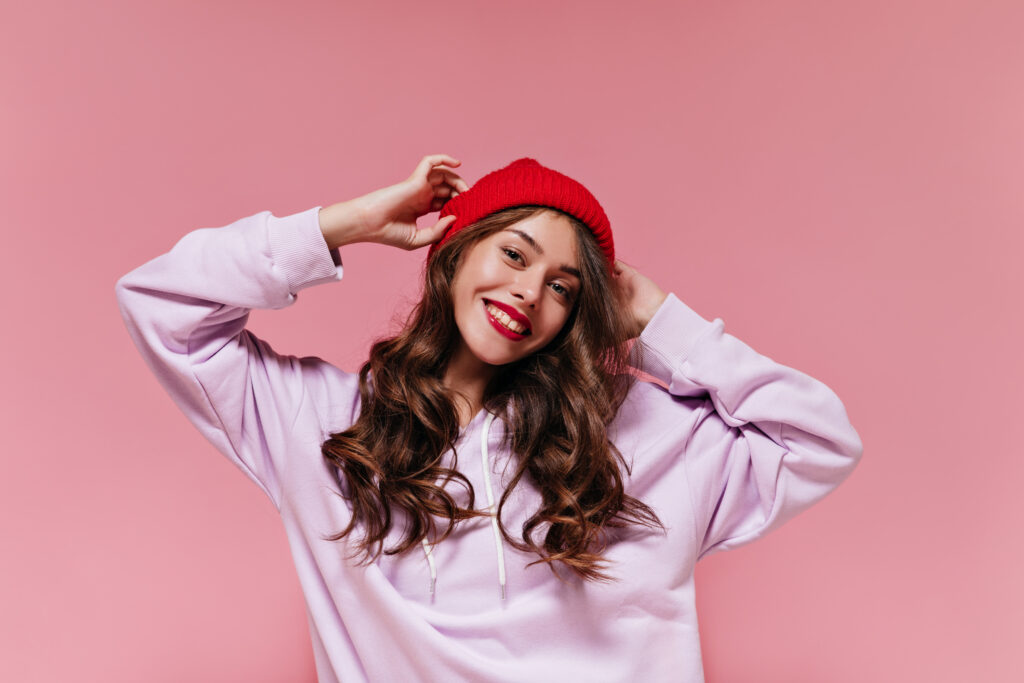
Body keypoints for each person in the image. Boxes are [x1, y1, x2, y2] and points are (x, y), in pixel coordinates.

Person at [115, 154, 863, 682]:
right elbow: (161, 303)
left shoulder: (635, 432)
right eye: (513, 252)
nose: (529, 291)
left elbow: (819, 440)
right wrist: (343, 225)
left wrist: (664, 322)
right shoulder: (321, 424)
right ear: (456, 248)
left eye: (564, 286)